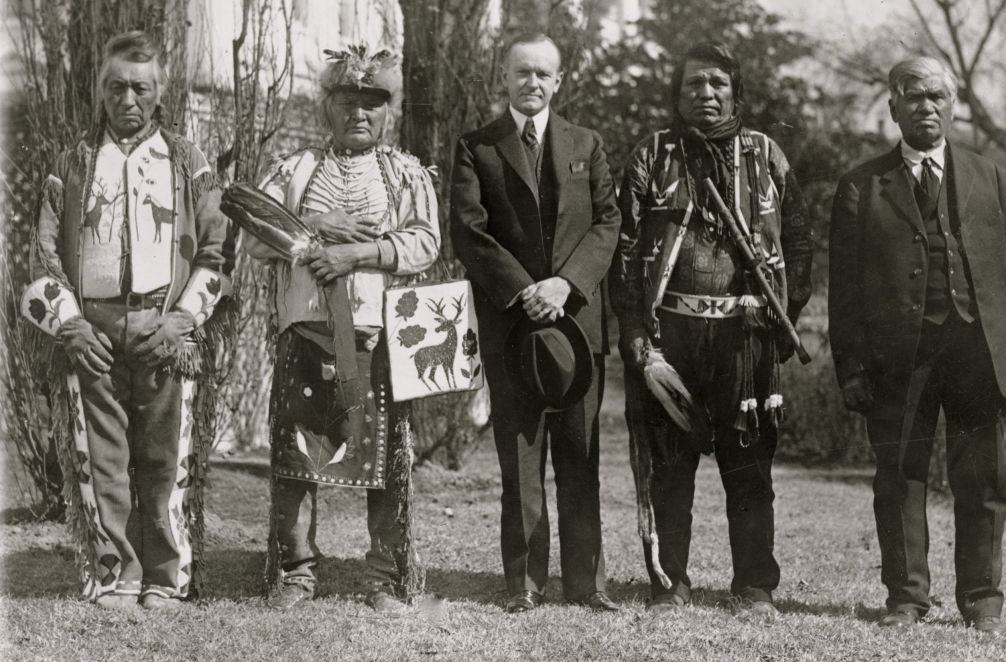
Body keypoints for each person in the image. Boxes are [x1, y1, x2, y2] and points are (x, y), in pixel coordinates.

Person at [24, 31, 234, 610]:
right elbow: (41, 259)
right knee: (103, 458)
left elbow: (218, 254)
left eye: (140, 87)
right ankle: (116, 573)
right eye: (116, 87)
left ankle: (167, 579)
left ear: (160, 91)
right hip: (91, 333)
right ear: (101, 92)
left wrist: (183, 322)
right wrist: (70, 325)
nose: (128, 100)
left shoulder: (189, 163)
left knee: (167, 461)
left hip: (164, 331)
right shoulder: (71, 165)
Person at [610, 41, 812, 617]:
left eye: (718, 84)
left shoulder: (767, 155)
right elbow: (625, 251)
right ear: (678, 94)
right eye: (695, 83)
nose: (706, 93)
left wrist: (786, 317)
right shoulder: (653, 155)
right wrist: (632, 328)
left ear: (736, 93)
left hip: (747, 336)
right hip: (670, 336)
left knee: (749, 465)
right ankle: (670, 582)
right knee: (669, 467)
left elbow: (799, 243)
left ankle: (753, 586)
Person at [829, 57, 1006, 635]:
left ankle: (983, 600)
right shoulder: (861, 185)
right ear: (892, 105)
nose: (927, 106)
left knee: (985, 479)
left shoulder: (987, 175)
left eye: (938, 95)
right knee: (898, 478)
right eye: (913, 96)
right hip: (897, 360)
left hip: (978, 353)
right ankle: (907, 599)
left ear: (954, 103)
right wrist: (851, 369)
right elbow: (843, 292)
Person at [245, 45, 440, 612]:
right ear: (327, 106)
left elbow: (425, 243)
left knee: (383, 461)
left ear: (388, 111)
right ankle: (296, 573)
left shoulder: (404, 172)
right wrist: (311, 226)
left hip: (377, 341)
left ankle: (381, 576)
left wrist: (358, 253)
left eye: (372, 104)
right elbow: (255, 238)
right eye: (347, 102)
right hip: (305, 335)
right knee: (296, 458)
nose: (359, 113)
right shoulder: (294, 169)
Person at [450, 33, 621, 613]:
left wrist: (565, 284)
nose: (533, 83)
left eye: (544, 74)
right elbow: (469, 231)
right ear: (505, 77)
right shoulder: (477, 147)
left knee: (580, 456)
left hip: (577, 326)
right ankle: (523, 584)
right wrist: (526, 290)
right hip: (513, 326)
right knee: (520, 459)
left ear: (559, 81)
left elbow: (608, 222)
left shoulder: (587, 143)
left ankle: (586, 584)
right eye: (523, 72)